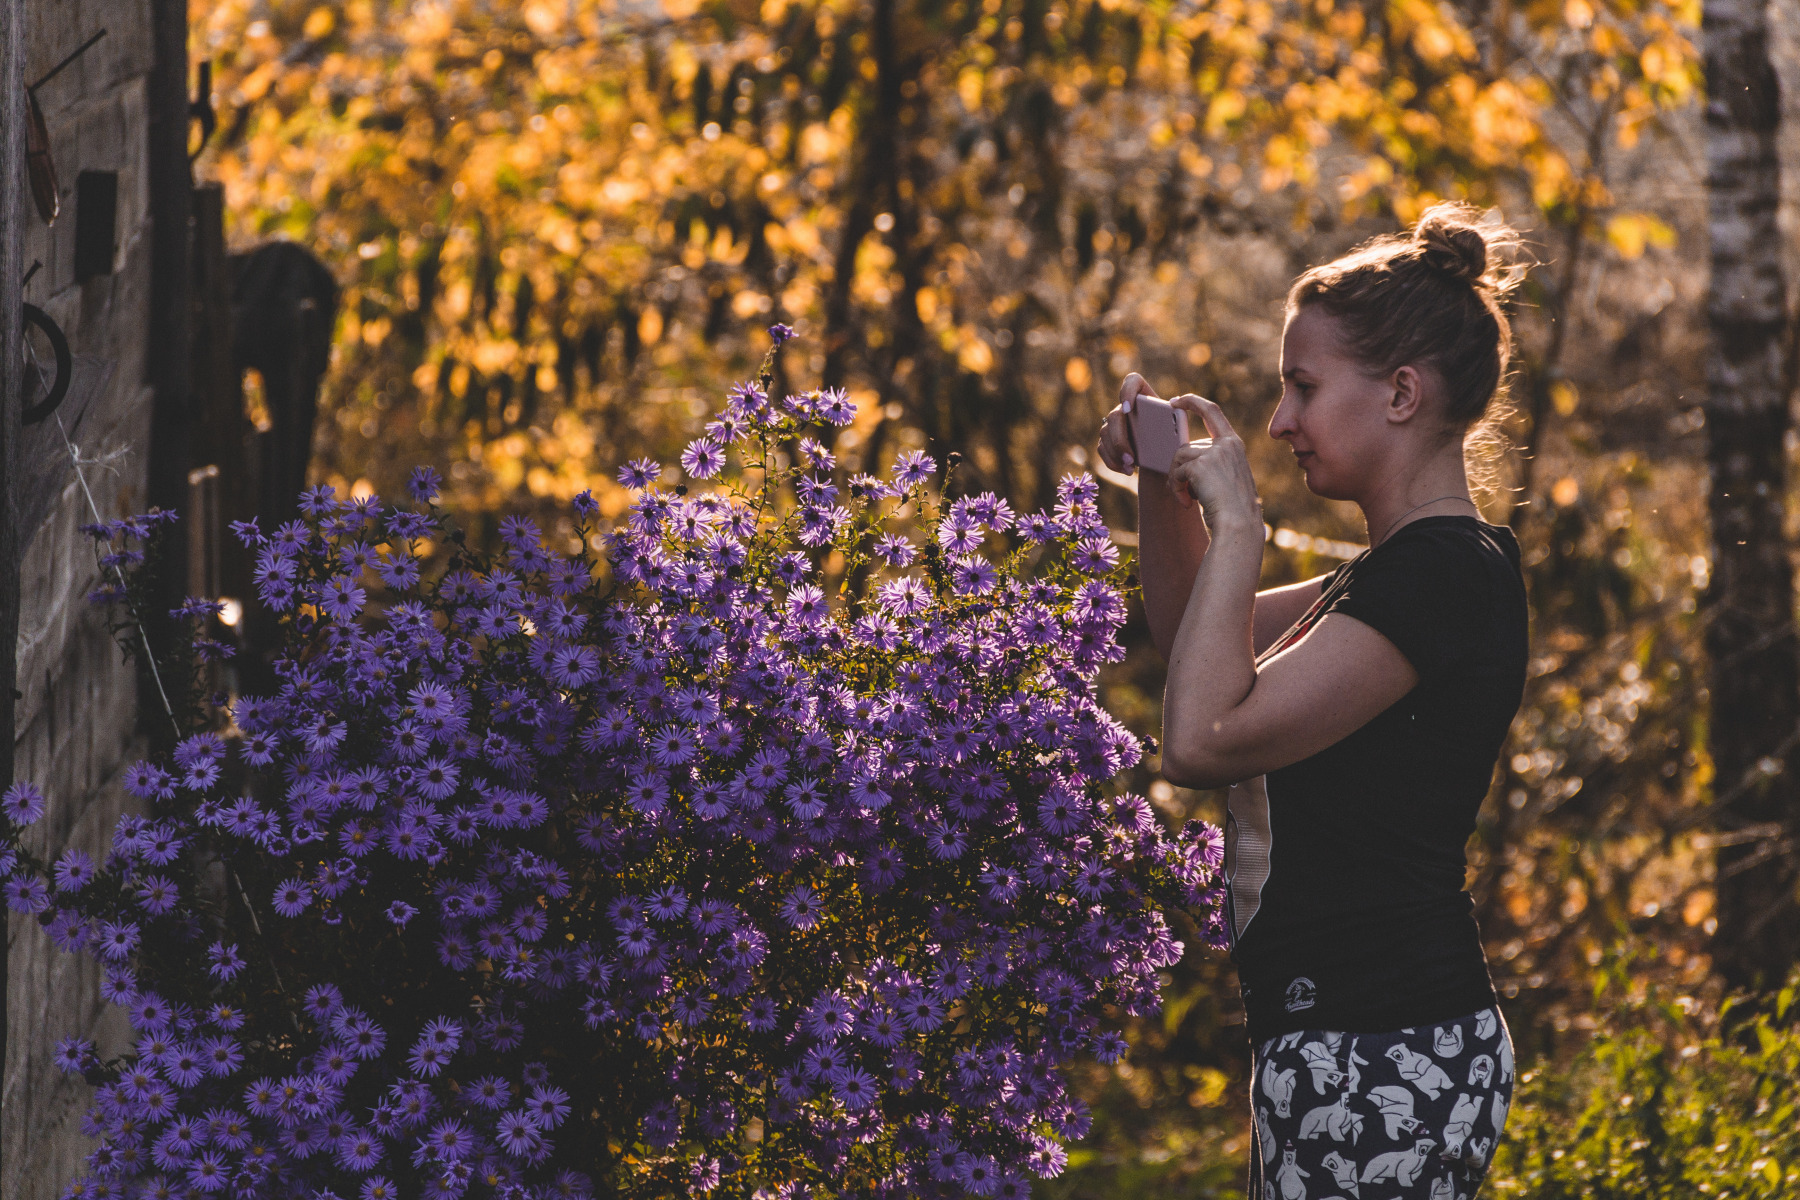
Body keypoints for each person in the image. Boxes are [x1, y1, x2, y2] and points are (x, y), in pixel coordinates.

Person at [1095, 203, 1527, 1200]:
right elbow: (1199, 639)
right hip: (1348, 1035)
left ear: (1402, 395)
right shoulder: (1397, 576)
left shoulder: (1443, 579)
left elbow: (1203, 739)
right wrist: (1165, 490)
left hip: (1385, 1046)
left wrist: (1240, 518)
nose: (1281, 420)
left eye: (1302, 387)